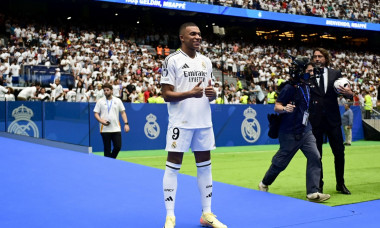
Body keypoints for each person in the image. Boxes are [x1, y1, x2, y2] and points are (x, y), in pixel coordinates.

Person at [160, 22, 227, 228]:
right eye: (193, 34)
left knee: (205, 167)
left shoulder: (206, 61)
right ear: (182, 37)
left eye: (199, 34)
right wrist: (190, 93)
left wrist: (213, 95)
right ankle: (170, 215)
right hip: (181, 122)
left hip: (204, 122)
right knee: (173, 166)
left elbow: (209, 91)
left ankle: (207, 214)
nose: (197, 37)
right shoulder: (171, 60)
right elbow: (166, 95)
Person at [258, 62, 330, 203]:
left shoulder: (308, 86)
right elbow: (277, 107)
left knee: (315, 156)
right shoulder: (289, 88)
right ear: (300, 71)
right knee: (280, 163)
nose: (312, 73)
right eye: (309, 71)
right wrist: (285, 108)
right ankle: (264, 183)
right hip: (289, 131)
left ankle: (313, 192)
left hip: (305, 129)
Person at [310, 48, 353, 195]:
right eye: (315, 56)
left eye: (320, 56)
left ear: (326, 58)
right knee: (317, 155)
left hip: (333, 120)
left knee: (340, 153)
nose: (317, 59)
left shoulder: (336, 74)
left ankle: (340, 184)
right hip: (315, 121)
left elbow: (344, 94)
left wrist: (349, 95)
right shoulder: (308, 75)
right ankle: (318, 185)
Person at [93, 83, 130, 159]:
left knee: (118, 147)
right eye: (104, 90)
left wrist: (126, 123)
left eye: (107, 90)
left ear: (112, 91)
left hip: (116, 128)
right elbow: (96, 113)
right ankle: (108, 166)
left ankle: (111, 161)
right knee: (107, 150)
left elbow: (123, 112)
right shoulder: (100, 101)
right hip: (104, 129)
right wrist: (101, 121)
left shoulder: (118, 100)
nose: (106, 92)